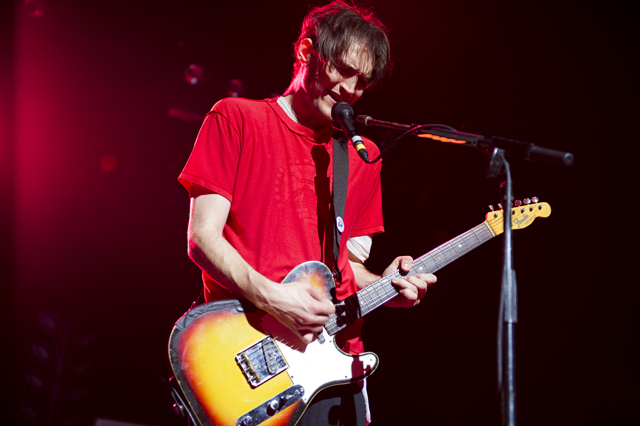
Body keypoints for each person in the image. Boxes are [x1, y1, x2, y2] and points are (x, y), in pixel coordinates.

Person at [178, 1, 437, 424]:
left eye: (362, 82)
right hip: (250, 359)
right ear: (305, 52)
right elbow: (201, 238)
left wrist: (387, 286)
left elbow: (348, 268)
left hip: (335, 366)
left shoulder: (363, 157)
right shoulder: (236, 117)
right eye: (343, 70)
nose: (350, 89)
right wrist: (274, 298)